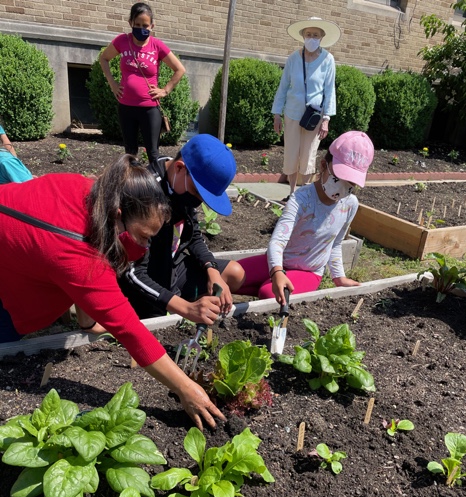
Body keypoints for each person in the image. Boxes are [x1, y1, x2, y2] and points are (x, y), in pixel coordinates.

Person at [0, 155, 225, 430]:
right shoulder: (80, 258)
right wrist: (186, 389)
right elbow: (131, 332)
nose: (144, 248)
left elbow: (83, 273)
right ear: (119, 216)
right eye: (142, 237)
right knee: (6, 339)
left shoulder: (89, 191)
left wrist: (86, 322)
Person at [119, 133, 245, 323]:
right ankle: (185, 302)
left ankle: (190, 299)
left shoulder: (180, 185)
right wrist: (186, 309)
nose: (197, 202)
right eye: (197, 193)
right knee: (155, 320)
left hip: (171, 265)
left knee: (233, 274)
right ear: (179, 167)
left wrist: (211, 268)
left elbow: (193, 235)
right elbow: (133, 272)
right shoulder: (145, 195)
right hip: (144, 277)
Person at [236, 131, 375, 304]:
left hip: (308, 272)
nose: (344, 187)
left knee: (268, 294)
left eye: (351, 183)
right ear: (324, 165)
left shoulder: (350, 204)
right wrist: (277, 271)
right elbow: (278, 241)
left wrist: (338, 277)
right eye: (339, 178)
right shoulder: (301, 198)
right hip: (278, 263)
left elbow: (336, 242)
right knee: (229, 274)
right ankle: (266, 284)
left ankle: (265, 288)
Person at [100, 2, 185, 164]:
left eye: (145, 25)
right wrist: (113, 83)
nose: (141, 28)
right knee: (130, 153)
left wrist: (165, 90)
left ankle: (154, 186)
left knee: (153, 153)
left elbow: (179, 69)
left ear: (152, 25)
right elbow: (104, 58)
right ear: (130, 22)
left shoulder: (156, 45)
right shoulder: (122, 41)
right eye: (137, 24)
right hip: (126, 107)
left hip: (149, 108)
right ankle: (133, 186)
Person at [272, 16, 340, 197]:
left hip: (314, 117)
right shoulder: (293, 58)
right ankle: (292, 192)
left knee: (309, 155)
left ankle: (303, 194)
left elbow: (329, 90)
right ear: (303, 36)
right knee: (291, 154)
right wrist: (276, 113)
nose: (312, 37)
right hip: (292, 113)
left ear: (321, 37)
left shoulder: (328, 60)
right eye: (308, 34)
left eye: (315, 35)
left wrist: (326, 119)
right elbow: (283, 86)